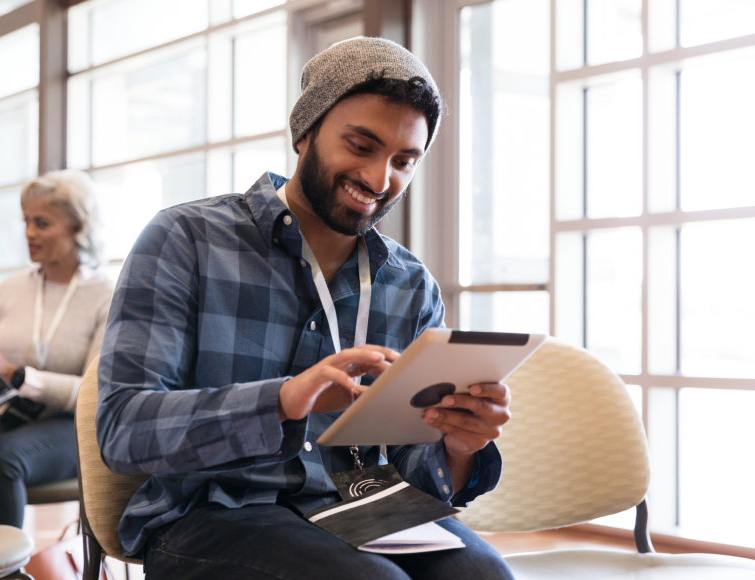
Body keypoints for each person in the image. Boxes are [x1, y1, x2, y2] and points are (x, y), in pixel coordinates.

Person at [97, 38, 514, 579]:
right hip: (215, 510)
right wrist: (283, 400)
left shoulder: (410, 284)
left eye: (404, 161)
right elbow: (123, 429)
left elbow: (416, 466)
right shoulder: (186, 239)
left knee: (485, 578)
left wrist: (458, 444)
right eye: (361, 145)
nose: (379, 180)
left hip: (365, 503)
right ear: (305, 132)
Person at [0, 170, 114, 529]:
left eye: (42, 223)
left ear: (78, 227)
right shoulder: (7, 291)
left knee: (3, 459)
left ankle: (7, 567)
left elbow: (95, 395)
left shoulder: (107, 296)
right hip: (11, 416)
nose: (29, 232)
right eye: (26, 221)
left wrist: (21, 376)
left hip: (74, 426)